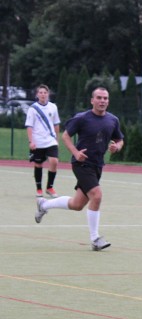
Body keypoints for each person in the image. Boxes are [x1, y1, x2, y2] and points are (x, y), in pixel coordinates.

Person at [34, 87, 124, 251]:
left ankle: (44, 205)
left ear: (108, 101)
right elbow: (65, 136)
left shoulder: (113, 120)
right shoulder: (82, 118)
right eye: (99, 98)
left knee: (77, 204)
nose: (102, 101)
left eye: (105, 98)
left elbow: (119, 140)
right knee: (96, 196)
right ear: (92, 100)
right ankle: (95, 239)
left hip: (97, 165)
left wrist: (116, 147)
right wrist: (75, 152)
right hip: (81, 163)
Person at [25, 84, 61, 198]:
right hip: (38, 141)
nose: (43, 95)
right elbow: (29, 126)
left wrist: (56, 139)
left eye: (45, 92)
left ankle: (50, 187)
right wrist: (31, 141)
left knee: (54, 161)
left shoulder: (53, 107)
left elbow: (56, 124)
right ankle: (39, 189)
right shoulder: (32, 109)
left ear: (48, 94)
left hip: (50, 140)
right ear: (37, 95)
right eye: (40, 92)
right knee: (38, 164)